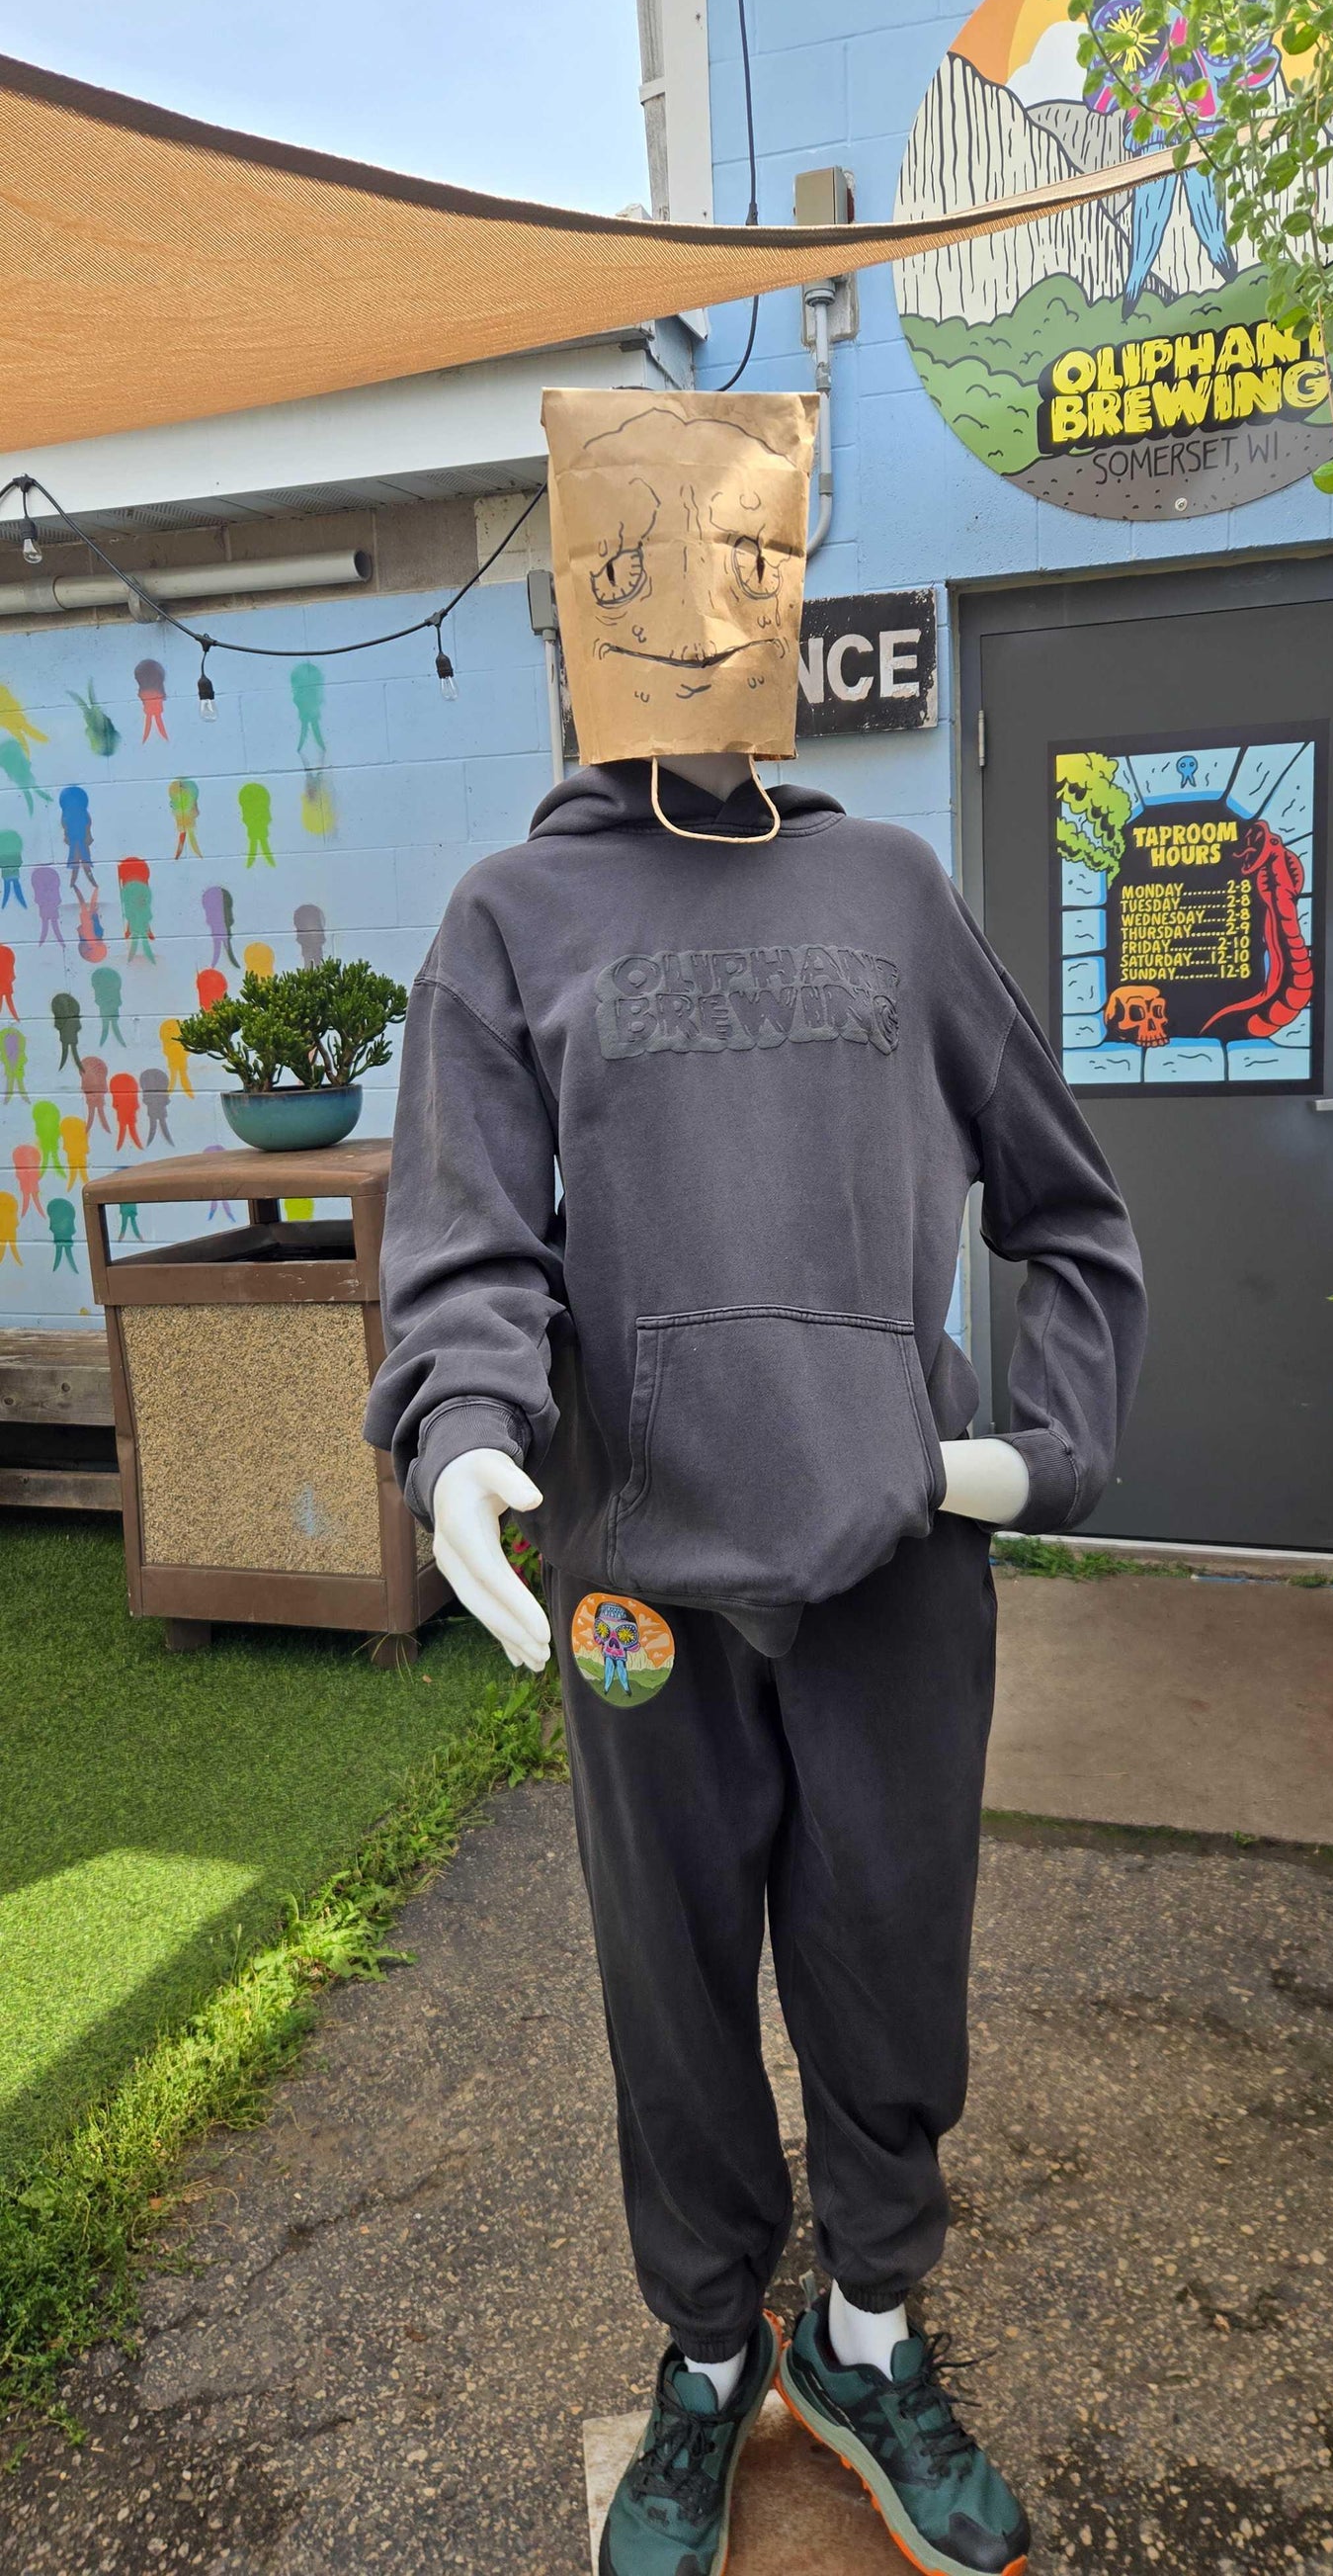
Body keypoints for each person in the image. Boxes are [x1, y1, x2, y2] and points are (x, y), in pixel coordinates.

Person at [366, 391, 1145, 2576]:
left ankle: (874, 2339)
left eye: (732, 569)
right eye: (638, 579)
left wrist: (1031, 1448)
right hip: (639, 1592)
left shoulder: (888, 894)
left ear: (779, 594)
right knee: (675, 1986)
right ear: (575, 618)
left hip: (893, 1562)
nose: (692, 615)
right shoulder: (511, 921)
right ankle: (712, 2370)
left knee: (892, 1969)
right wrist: (464, 1437)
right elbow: (466, 1239)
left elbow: (1070, 1212)